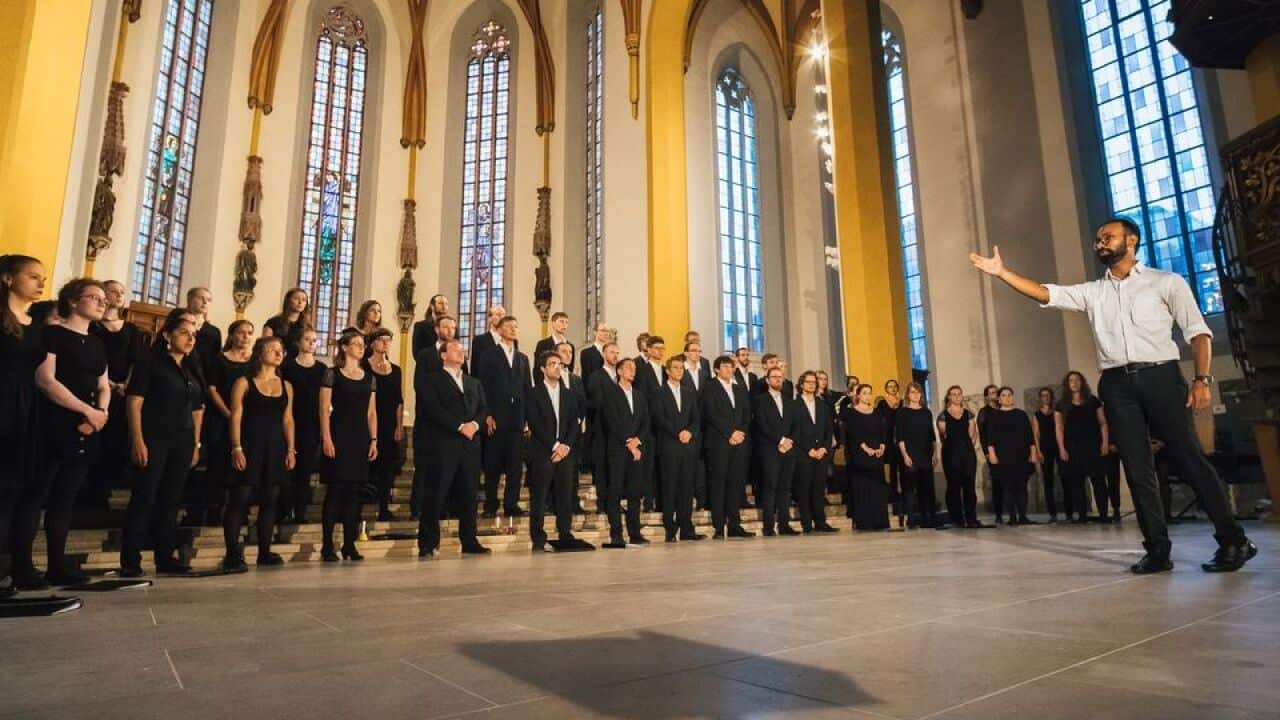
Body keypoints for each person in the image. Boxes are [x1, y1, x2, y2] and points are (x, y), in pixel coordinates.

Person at [973, 218, 1256, 572]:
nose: (1100, 243)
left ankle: (1233, 541)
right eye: (1097, 239)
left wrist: (1201, 379)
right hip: (1116, 385)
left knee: (1190, 459)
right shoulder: (1095, 292)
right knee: (1137, 469)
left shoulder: (1166, 282)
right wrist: (1002, 272)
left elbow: (1199, 333)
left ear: (1132, 240)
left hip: (1161, 376)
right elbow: (1047, 292)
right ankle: (1157, 550)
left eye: (1107, 236)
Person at [18, 279, 110, 587]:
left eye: (103, 298)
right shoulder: (52, 334)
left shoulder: (97, 343)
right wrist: (87, 411)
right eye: (94, 297)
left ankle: (57, 564)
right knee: (36, 496)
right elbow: (46, 380)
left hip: (88, 426)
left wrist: (101, 415)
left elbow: (103, 385)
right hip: (53, 424)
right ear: (72, 301)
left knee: (65, 499)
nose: (102, 302)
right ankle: (23, 567)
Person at [120, 313, 205, 576]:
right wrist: (137, 439)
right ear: (167, 335)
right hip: (154, 437)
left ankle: (164, 556)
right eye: (184, 332)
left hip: (183, 439)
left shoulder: (191, 367)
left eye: (194, 334)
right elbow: (134, 403)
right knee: (145, 496)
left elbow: (197, 408)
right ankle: (130, 560)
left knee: (171, 499)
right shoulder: (150, 363)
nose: (191, 338)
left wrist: (195, 444)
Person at [1, 256, 49, 598]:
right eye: (33, 276)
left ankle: (14, 566)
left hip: (28, 409)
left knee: (18, 491)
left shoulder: (37, 324)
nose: (40, 283)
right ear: (7, 279)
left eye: (42, 278)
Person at [222, 336, 293, 571]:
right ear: (259, 353)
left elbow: (287, 419)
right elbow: (235, 416)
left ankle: (264, 551)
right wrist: (236, 447)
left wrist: (291, 448)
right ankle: (232, 553)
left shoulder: (286, 385)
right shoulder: (244, 382)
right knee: (240, 498)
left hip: (275, 446)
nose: (278, 353)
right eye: (272, 349)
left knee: (270, 499)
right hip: (250, 444)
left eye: (280, 350)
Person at [416, 338, 490, 558]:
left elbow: (484, 408)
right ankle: (428, 543)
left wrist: (475, 425)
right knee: (436, 494)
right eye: (456, 349)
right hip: (443, 445)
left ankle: (469, 540)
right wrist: (459, 426)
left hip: (470, 446)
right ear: (443, 355)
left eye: (462, 350)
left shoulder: (473, 382)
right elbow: (433, 409)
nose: (461, 352)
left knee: (469, 495)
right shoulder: (431, 380)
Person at [318, 330, 377, 562]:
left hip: (360, 437)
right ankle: (326, 545)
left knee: (354, 494)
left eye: (363, 344)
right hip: (338, 434)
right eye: (356, 344)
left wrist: (374, 439)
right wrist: (326, 438)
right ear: (344, 347)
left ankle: (350, 544)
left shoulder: (368, 377)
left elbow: (372, 412)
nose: (361, 348)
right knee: (335, 492)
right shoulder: (332, 374)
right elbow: (323, 409)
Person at [86, 280, 143, 508]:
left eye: (122, 291)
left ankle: (104, 490)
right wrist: (106, 382)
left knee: (115, 442)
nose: (119, 295)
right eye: (114, 291)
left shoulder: (131, 329)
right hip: (94, 389)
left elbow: (137, 361)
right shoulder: (92, 326)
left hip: (121, 394)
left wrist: (124, 385)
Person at [525, 352, 585, 551]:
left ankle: (565, 532)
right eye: (552, 364)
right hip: (543, 451)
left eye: (559, 364)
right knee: (540, 497)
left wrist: (565, 446)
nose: (558, 367)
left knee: (565, 495)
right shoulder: (533, 393)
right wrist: (554, 445)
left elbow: (574, 423)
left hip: (565, 453)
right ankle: (538, 537)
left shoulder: (568, 393)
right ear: (542, 369)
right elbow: (535, 423)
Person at [195, 319, 253, 527]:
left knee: (243, 466)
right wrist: (228, 414)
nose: (245, 337)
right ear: (232, 335)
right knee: (218, 464)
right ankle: (213, 511)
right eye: (241, 332)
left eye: (249, 333)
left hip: (246, 420)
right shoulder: (220, 359)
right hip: (221, 417)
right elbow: (212, 389)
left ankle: (239, 511)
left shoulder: (254, 362)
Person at [474, 315, 530, 518]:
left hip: (516, 420)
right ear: (500, 330)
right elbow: (481, 386)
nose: (514, 329)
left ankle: (511, 504)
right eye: (509, 326)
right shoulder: (489, 355)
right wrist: (486, 414)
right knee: (493, 466)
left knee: (515, 467)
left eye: (516, 326)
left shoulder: (523, 358)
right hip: (495, 419)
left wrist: (527, 419)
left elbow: (526, 389)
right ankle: (490, 504)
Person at [702, 355, 754, 539]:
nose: (729, 369)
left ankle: (734, 524)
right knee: (719, 484)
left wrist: (739, 432)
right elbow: (710, 413)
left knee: (736, 484)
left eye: (731, 367)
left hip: (739, 442)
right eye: (725, 366)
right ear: (716, 369)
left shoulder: (739, 389)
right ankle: (718, 525)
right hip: (719, 442)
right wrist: (729, 433)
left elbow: (747, 414)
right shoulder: (709, 387)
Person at [600, 357, 650, 547]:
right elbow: (611, 421)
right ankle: (616, 534)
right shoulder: (610, 393)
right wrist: (628, 443)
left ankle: (635, 533)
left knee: (635, 493)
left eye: (634, 368)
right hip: (618, 449)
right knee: (615, 492)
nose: (632, 370)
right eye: (628, 367)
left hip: (636, 449)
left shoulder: (639, 395)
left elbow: (645, 422)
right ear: (619, 371)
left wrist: (638, 441)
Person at [652, 355, 702, 541]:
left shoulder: (690, 392)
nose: (679, 371)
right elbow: (658, 418)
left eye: (681, 368)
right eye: (675, 368)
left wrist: (689, 432)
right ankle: (670, 527)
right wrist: (677, 432)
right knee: (669, 486)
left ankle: (686, 527)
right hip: (669, 445)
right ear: (668, 371)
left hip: (688, 446)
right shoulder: (659, 392)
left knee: (687, 487)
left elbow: (696, 419)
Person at [280, 327, 324, 524]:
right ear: (299, 342)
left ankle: (300, 512)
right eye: (307, 339)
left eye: (314, 340)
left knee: (304, 470)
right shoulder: (287, 367)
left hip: (311, 425)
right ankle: (283, 510)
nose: (311, 343)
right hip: (290, 420)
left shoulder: (322, 369)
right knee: (286, 470)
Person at [1054, 371, 1107, 524]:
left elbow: (1103, 423)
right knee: (1076, 482)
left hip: (1092, 444)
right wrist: (1062, 448)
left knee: (1098, 480)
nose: (1074, 383)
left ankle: (1103, 514)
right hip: (1072, 446)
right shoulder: (1061, 405)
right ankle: (1082, 515)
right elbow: (1059, 428)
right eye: (1071, 380)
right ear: (1067, 384)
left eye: (1077, 380)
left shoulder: (1092, 401)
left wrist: (1104, 442)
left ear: (1082, 382)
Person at [754, 366, 799, 536]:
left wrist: (789, 441)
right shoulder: (760, 400)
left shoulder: (789, 401)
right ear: (767, 380)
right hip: (770, 449)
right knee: (770, 487)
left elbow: (795, 424)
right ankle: (768, 526)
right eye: (774, 377)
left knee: (785, 488)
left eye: (780, 377)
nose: (778, 380)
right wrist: (780, 440)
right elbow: (762, 425)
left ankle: (785, 525)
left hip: (788, 449)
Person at [365, 328, 403, 521]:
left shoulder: (395, 370)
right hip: (367, 421)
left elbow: (399, 400)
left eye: (388, 339)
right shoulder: (364, 366)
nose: (385, 343)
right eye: (381, 339)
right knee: (368, 464)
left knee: (387, 466)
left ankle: (383, 508)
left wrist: (399, 426)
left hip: (388, 422)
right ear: (372, 343)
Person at [843, 384, 888, 531]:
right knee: (862, 487)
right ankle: (863, 521)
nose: (868, 396)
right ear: (858, 396)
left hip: (876, 453)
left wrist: (882, 446)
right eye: (864, 393)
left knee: (877, 487)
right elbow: (853, 433)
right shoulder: (851, 412)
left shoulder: (877, 412)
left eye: (870, 393)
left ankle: (879, 520)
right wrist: (865, 448)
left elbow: (883, 431)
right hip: (860, 453)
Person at [937, 385, 981, 528]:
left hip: (967, 453)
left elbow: (973, 435)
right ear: (949, 397)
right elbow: (943, 436)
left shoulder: (969, 414)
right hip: (950, 453)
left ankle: (971, 518)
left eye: (959, 394)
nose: (956, 396)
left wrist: (966, 448)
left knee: (969, 485)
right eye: (953, 394)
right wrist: (954, 448)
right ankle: (957, 519)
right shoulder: (943, 416)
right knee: (953, 486)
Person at [896, 381, 939, 529]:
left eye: (918, 392)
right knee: (909, 487)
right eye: (912, 392)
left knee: (926, 487)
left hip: (925, 453)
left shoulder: (926, 412)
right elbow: (900, 436)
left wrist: (935, 453)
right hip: (910, 452)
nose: (915, 395)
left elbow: (932, 436)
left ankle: (929, 517)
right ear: (908, 394)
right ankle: (912, 518)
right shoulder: (902, 412)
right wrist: (905, 455)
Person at [586, 341, 621, 510]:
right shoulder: (596, 376)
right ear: (603, 355)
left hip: (619, 433)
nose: (615, 355)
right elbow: (597, 403)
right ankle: (602, 502)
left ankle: (614, 503)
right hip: (601, 429)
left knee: (616, 469)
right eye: (611, 352)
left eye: (617, 353)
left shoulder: (621, 377)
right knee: (602, 468)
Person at [634, 335, 666, 513]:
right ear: (649, 349)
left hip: (665, 427)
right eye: (657, 348)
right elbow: (642, 398)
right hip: (650, 425)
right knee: (649, 465)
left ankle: (661, 500)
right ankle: (647, 501)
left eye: (663, 349)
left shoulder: (665, 370)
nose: (660, 351)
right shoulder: (642, 370)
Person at [876, 380, 906, 529]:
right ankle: (892, 494)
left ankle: (903, 496)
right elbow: (881, 421)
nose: (892, 389)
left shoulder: (903, 403)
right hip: (887, 439)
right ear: (886, 389)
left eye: (895, 386)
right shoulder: (882, 404)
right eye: (890, 387)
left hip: (901, 439)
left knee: (903, 469)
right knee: (890, 469)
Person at [1032, 387, 1063, 522]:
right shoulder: (1037, 415)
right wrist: (1038, 451)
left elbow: (1060, 429)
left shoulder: (1057, 412)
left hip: (1058, 446)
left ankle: (1068, 511)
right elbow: (1036, 434)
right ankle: (1052, 513)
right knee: (1048, 480)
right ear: (1040, 398)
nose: (1046, 398)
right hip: (1045, 448)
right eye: (1043, 395)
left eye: (1048, 395)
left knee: (1064, 477)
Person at [975, 384, 1002, 523]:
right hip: (992, 451)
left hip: (1007, 451)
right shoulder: (984, 412)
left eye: (996, 392)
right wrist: (986, 451)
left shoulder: (1003, 409)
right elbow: (982, 434)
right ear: (986, 396)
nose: (995, 394)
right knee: (997, 482)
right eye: (992, 393)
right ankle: (998, 513)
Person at [264, 288, 310, 360]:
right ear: (288, 301)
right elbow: (264, 346)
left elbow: (309, 349)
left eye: (304, 300)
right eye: (296, 298)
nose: (300, 302)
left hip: (298, 364)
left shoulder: (308, 326)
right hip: (277, 362)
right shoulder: (272, 322)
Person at [533, 311, 574, 381]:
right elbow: (537, 369)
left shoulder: (570, 346)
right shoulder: (542, 344)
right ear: (553, 323)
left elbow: (570, 368)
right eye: (561, 321)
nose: (564, 325)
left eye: (566, 322)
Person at [411, 293, 449, 360]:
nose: (444, 307)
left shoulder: (452, 327)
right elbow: (416, 353)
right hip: (428, 367)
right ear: (432, 306)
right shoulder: (421, 326)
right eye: (440, 303)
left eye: (446, 304)